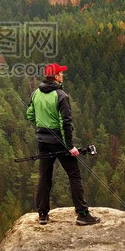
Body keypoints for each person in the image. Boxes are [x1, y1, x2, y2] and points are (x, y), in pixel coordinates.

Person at [26, 63, 100, 226]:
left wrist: (41, 126)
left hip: (42, 141)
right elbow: (65, 122)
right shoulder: (61, 96)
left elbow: (30, 114)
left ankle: (43, 215)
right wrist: (70, 146)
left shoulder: (36, 94)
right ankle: (82, 214)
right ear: (56, 76)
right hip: (60, 142)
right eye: (61, 72)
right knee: (74, 175)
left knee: (45, 176)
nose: (63, 75)